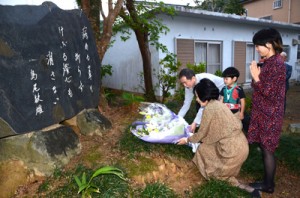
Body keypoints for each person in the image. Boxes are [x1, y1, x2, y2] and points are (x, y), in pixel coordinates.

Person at [176, 79, 259, 197]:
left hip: (232, 151)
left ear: (204, 96)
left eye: (197, 96)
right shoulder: (218, 103)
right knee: (207, 146)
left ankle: (235, 184)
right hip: (241, 145)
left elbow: (202, 133)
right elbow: (213, 131)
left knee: (205, 152)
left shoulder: (209, 109)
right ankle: (237, 182)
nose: (196, 99)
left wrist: (187, 140)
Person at [247, 28, 286, 194]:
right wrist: (256, 77)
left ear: (269, 44)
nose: (256, 49)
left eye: (258, 45)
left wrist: (256, 77)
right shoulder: (269, 62)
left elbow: (269, 92)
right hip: (263, 113)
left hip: (270, 115)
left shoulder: (277, 64)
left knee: (267, 150)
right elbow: (259, 87)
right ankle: (267, 182)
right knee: (264, 148)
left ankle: (268, 185)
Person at [178, 68, 224, 132]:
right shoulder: (188, 87)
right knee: (199, 108)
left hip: (223, 93)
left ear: (193, 78)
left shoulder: (205, 81)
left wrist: (195, 122)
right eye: (182, 83)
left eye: (185, 82)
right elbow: (186, 104)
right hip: (211, 97)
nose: (184, 85)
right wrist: (177, 119)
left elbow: (205, 104)